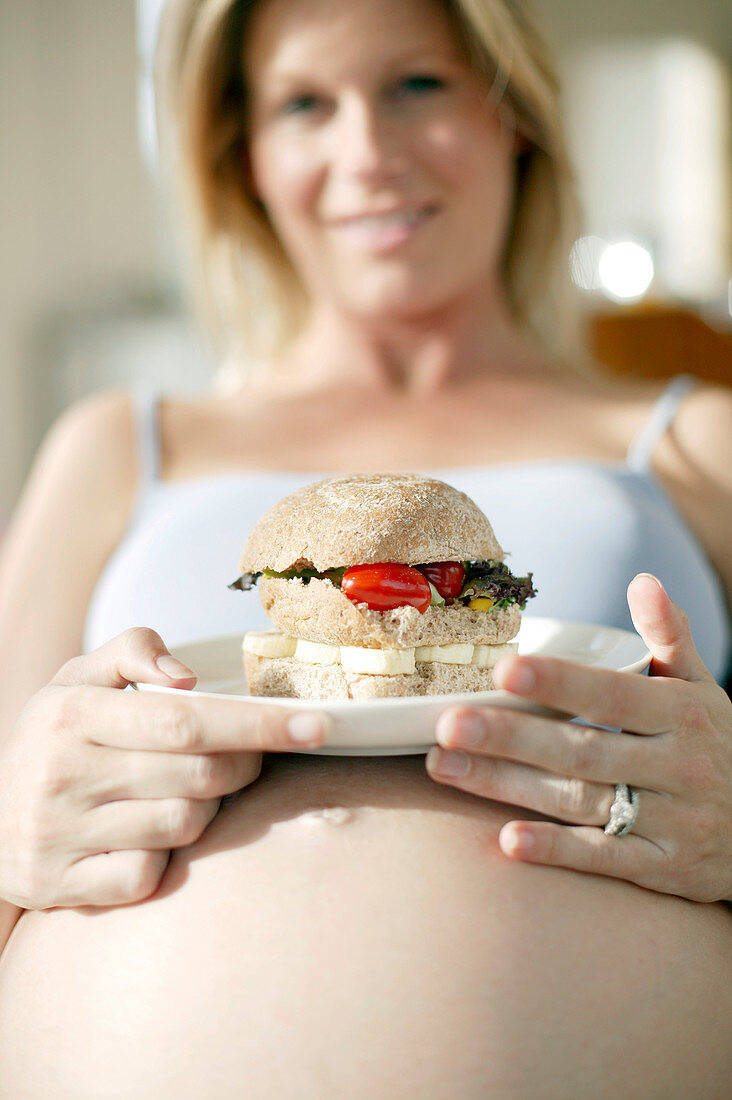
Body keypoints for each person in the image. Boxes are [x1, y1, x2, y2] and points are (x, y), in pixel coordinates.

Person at [0, 0, 730, 1094]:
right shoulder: (113, 446)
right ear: (245, 158)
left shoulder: (698, 437)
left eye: (417, 85)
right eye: (304, 103)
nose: (369, 153)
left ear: (511, 113)